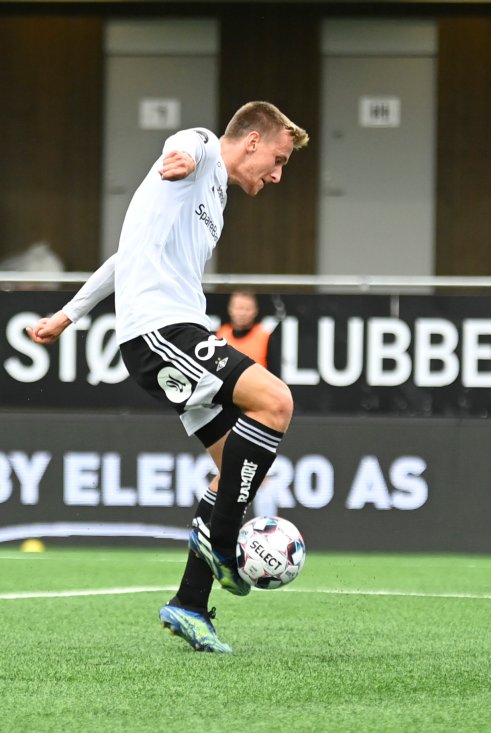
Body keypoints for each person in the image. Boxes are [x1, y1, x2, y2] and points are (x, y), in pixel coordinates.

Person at [26, 101, 309, 653]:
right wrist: (176, 156)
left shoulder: (218, 198)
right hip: (163, 334)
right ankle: (224, 545)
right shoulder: (201, 149)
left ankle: (189, 605)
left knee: (232, 473)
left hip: (172, 333)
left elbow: (125, 256)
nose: (277, 174)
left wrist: (67, 314)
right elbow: (187, 146)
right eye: (276, 159)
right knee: (275, 401)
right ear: (250, 141)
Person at [216, 290, 276, 370]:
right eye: (239, 308)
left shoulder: (264, 337)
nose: (242, 313)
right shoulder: (221, 335)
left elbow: (274, 372)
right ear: (230, 309)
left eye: (247, 309)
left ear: (255, 311)